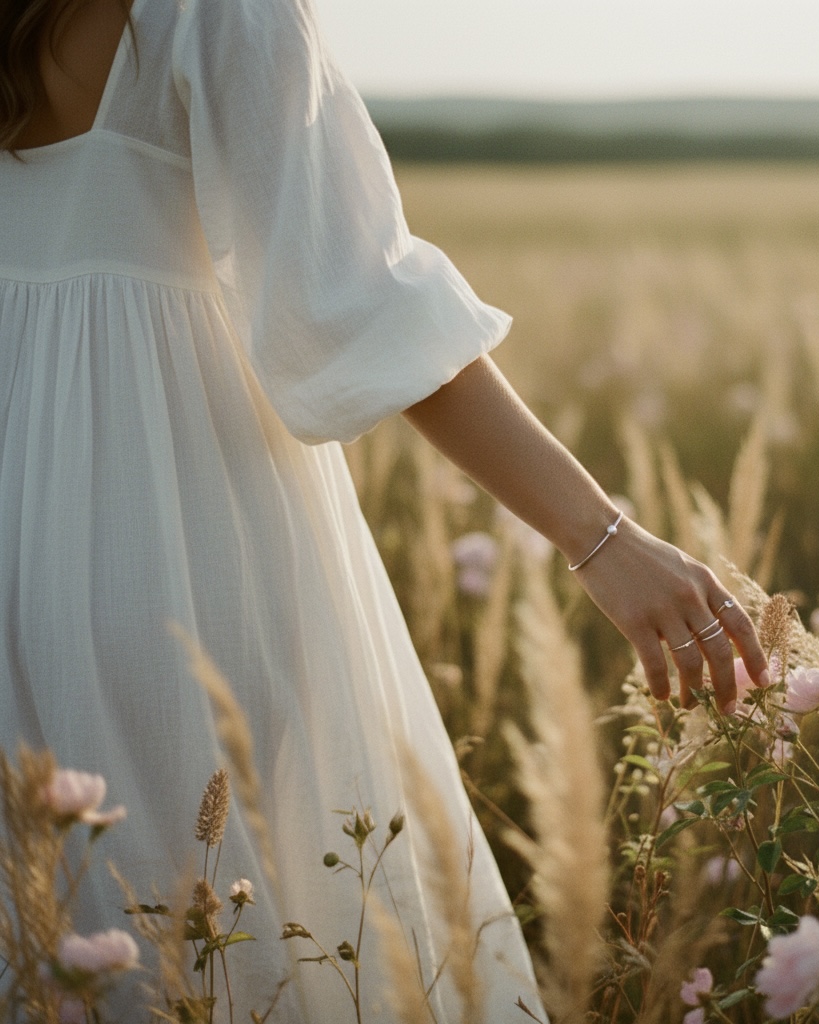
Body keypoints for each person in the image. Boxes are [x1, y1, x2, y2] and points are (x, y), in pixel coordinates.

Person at [0, 0, 769, 1019]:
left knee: (57, 926)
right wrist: (601, 536)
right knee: (238, 931)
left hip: (19, 500)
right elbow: (361, 304)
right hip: (180, 529)